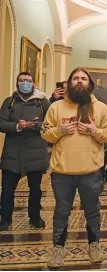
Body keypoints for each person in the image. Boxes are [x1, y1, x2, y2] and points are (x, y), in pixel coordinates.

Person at [41, 67, 107, 268]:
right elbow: (45, 132)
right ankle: (58, 248)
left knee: (92, 210)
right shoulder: (56, 107)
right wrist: (60, 130)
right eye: (75, 78)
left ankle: (94, 245)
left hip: (91, 172)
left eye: (83, 78)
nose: (79, 81)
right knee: (61, 211)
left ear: (90, 84)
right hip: (62, 173)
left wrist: (94, 131)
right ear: (69, 82)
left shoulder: (100, 108)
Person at [0, 72, 51, 231]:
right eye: (22, 81)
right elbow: (1, 123)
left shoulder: (44, 103)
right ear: (17, 83)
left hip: (36, 154)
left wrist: (36, 125)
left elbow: (50, 125)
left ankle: (35, 218)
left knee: (35, 189)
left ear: (33, 83)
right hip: (12, 153)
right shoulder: (10, 102)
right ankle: (5, 219)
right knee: (7, 189)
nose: (25, 83)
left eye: (28, 81)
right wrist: (17, 127)